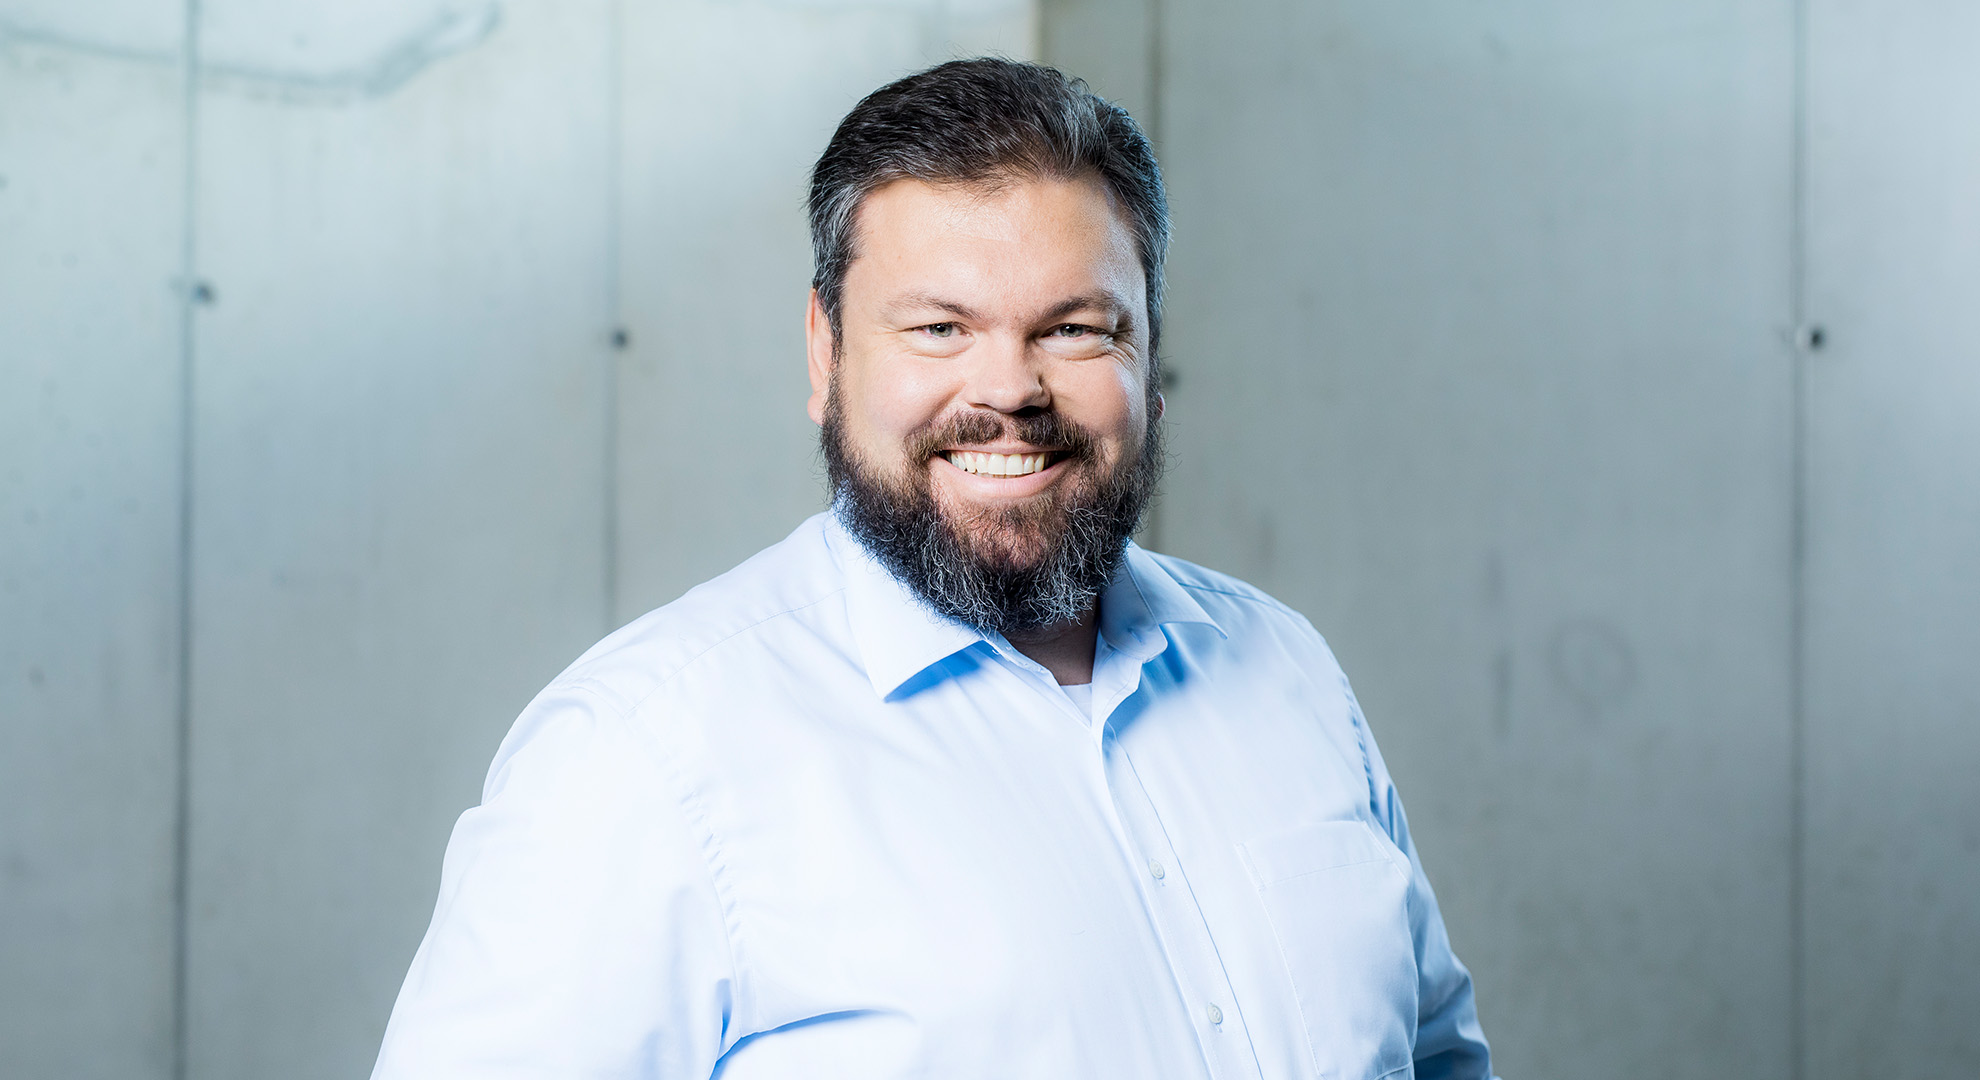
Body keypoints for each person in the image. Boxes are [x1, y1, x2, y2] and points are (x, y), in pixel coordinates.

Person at [371, 58, 1493, 1080]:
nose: (1009, 390)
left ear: (1149, 354)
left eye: (1075, 331)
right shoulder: (640, 761)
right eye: (941, 329)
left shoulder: (1285, 671)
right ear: (826, 353)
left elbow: (1438, 1057)